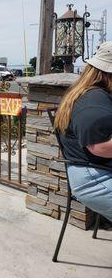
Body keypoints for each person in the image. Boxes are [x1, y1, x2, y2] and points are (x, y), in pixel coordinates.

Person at [54, 41, 112, 223]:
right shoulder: (94, 99)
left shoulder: (89, 93)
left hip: (93, 171)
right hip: (94, 176)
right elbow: (100, 147)